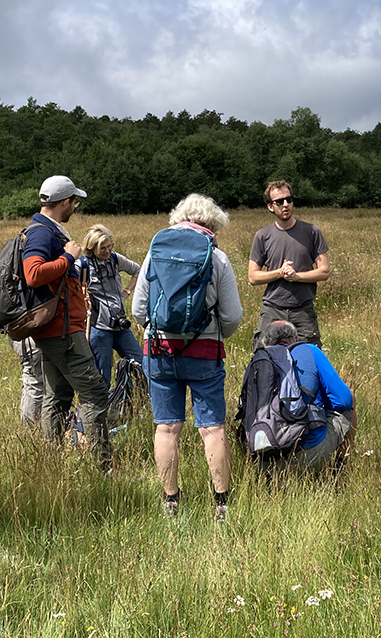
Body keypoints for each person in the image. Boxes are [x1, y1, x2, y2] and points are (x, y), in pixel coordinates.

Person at [131, 193, 243, 522]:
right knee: (211, 428)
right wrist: (213, 332)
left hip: (160, 352)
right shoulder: (217, 258)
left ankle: (171, 501)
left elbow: (139, 310)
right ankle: (221, 503)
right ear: (210, 223)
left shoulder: (155, 254)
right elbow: (233, 315)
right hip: (205, 351)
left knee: (166, 428)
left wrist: (160, 329)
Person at [23, 175, 110, 467]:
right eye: (73, 201)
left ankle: (52, 464)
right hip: (62, 331)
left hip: (57, 329)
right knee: (95, 393)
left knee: (58, 395)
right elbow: (33, 274)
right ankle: (104, 467)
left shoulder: (47, 230)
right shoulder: (42, 233)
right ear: (64, 202)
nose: (75, 207)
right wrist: (68, 258)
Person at [258, 320, 357, 473]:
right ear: (296, 339)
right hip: (306, 455)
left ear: (265, 342)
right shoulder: (309, 350)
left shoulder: (258, 360)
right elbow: (343, 401)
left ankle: (268, 476)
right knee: (350, 398)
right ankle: (340, 470)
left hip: (261, 457)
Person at [248, 180, 330, 350]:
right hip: (272, 309)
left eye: (289, 199)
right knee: (264, 360)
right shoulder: (262, 236)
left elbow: (324, 271)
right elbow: (253, 277)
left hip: (303, 310)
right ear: (270, 207)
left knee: (309, 362)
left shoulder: (311, 232)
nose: (285, 205)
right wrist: (280, 273)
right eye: (279, 202)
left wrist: (296, 276)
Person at [79, 223, 144, 385]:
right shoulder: (82, 265)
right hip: (99, 328)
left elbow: (137, 270)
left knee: (142, 365)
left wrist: (127, 292)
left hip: (121, 326)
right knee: (102, 377)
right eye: (103, 248)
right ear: (91, 247)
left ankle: (133, 398)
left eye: (110, 246)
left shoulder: (114, 259)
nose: (107, 251)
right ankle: (104, 408)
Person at [9, 337, 43, 428]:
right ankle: (31, 431)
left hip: (22, 335)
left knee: (33, 383)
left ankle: (32, 431)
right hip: (33, 336)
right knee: (35, 384)